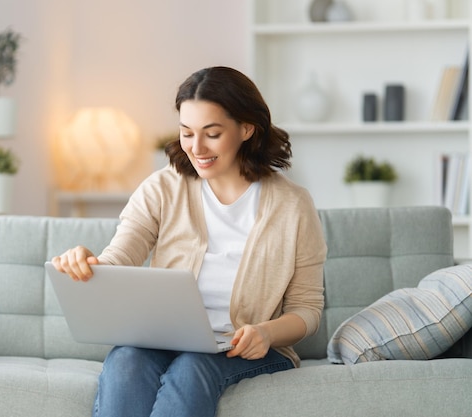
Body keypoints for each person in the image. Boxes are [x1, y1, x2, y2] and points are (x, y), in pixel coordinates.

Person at [51, 66, 327, 417]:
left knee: (193, 367)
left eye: (212, 134)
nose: (197, 148)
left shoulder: (293, 206)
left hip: (244, 351)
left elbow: (307, 309)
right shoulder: (163, 188)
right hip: (164, 340)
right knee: (125, 360)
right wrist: (90, 264)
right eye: (187, 133)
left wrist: (267, 333)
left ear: (246, 128)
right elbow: (121, 257)